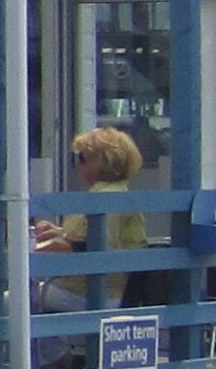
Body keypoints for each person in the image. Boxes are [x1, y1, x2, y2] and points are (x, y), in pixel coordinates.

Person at [34, 125, 146, 339]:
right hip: (100, 288)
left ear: (100, 161)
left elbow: (97, 243)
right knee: (32, 296)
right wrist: (57, 231)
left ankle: (52, 359)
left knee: (12, 302)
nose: (79, 166)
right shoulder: (117, 192)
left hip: (95, 292)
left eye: (83, 159)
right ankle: (55, 355)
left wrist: (46, 246)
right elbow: (89, 234)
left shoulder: (105, 198)